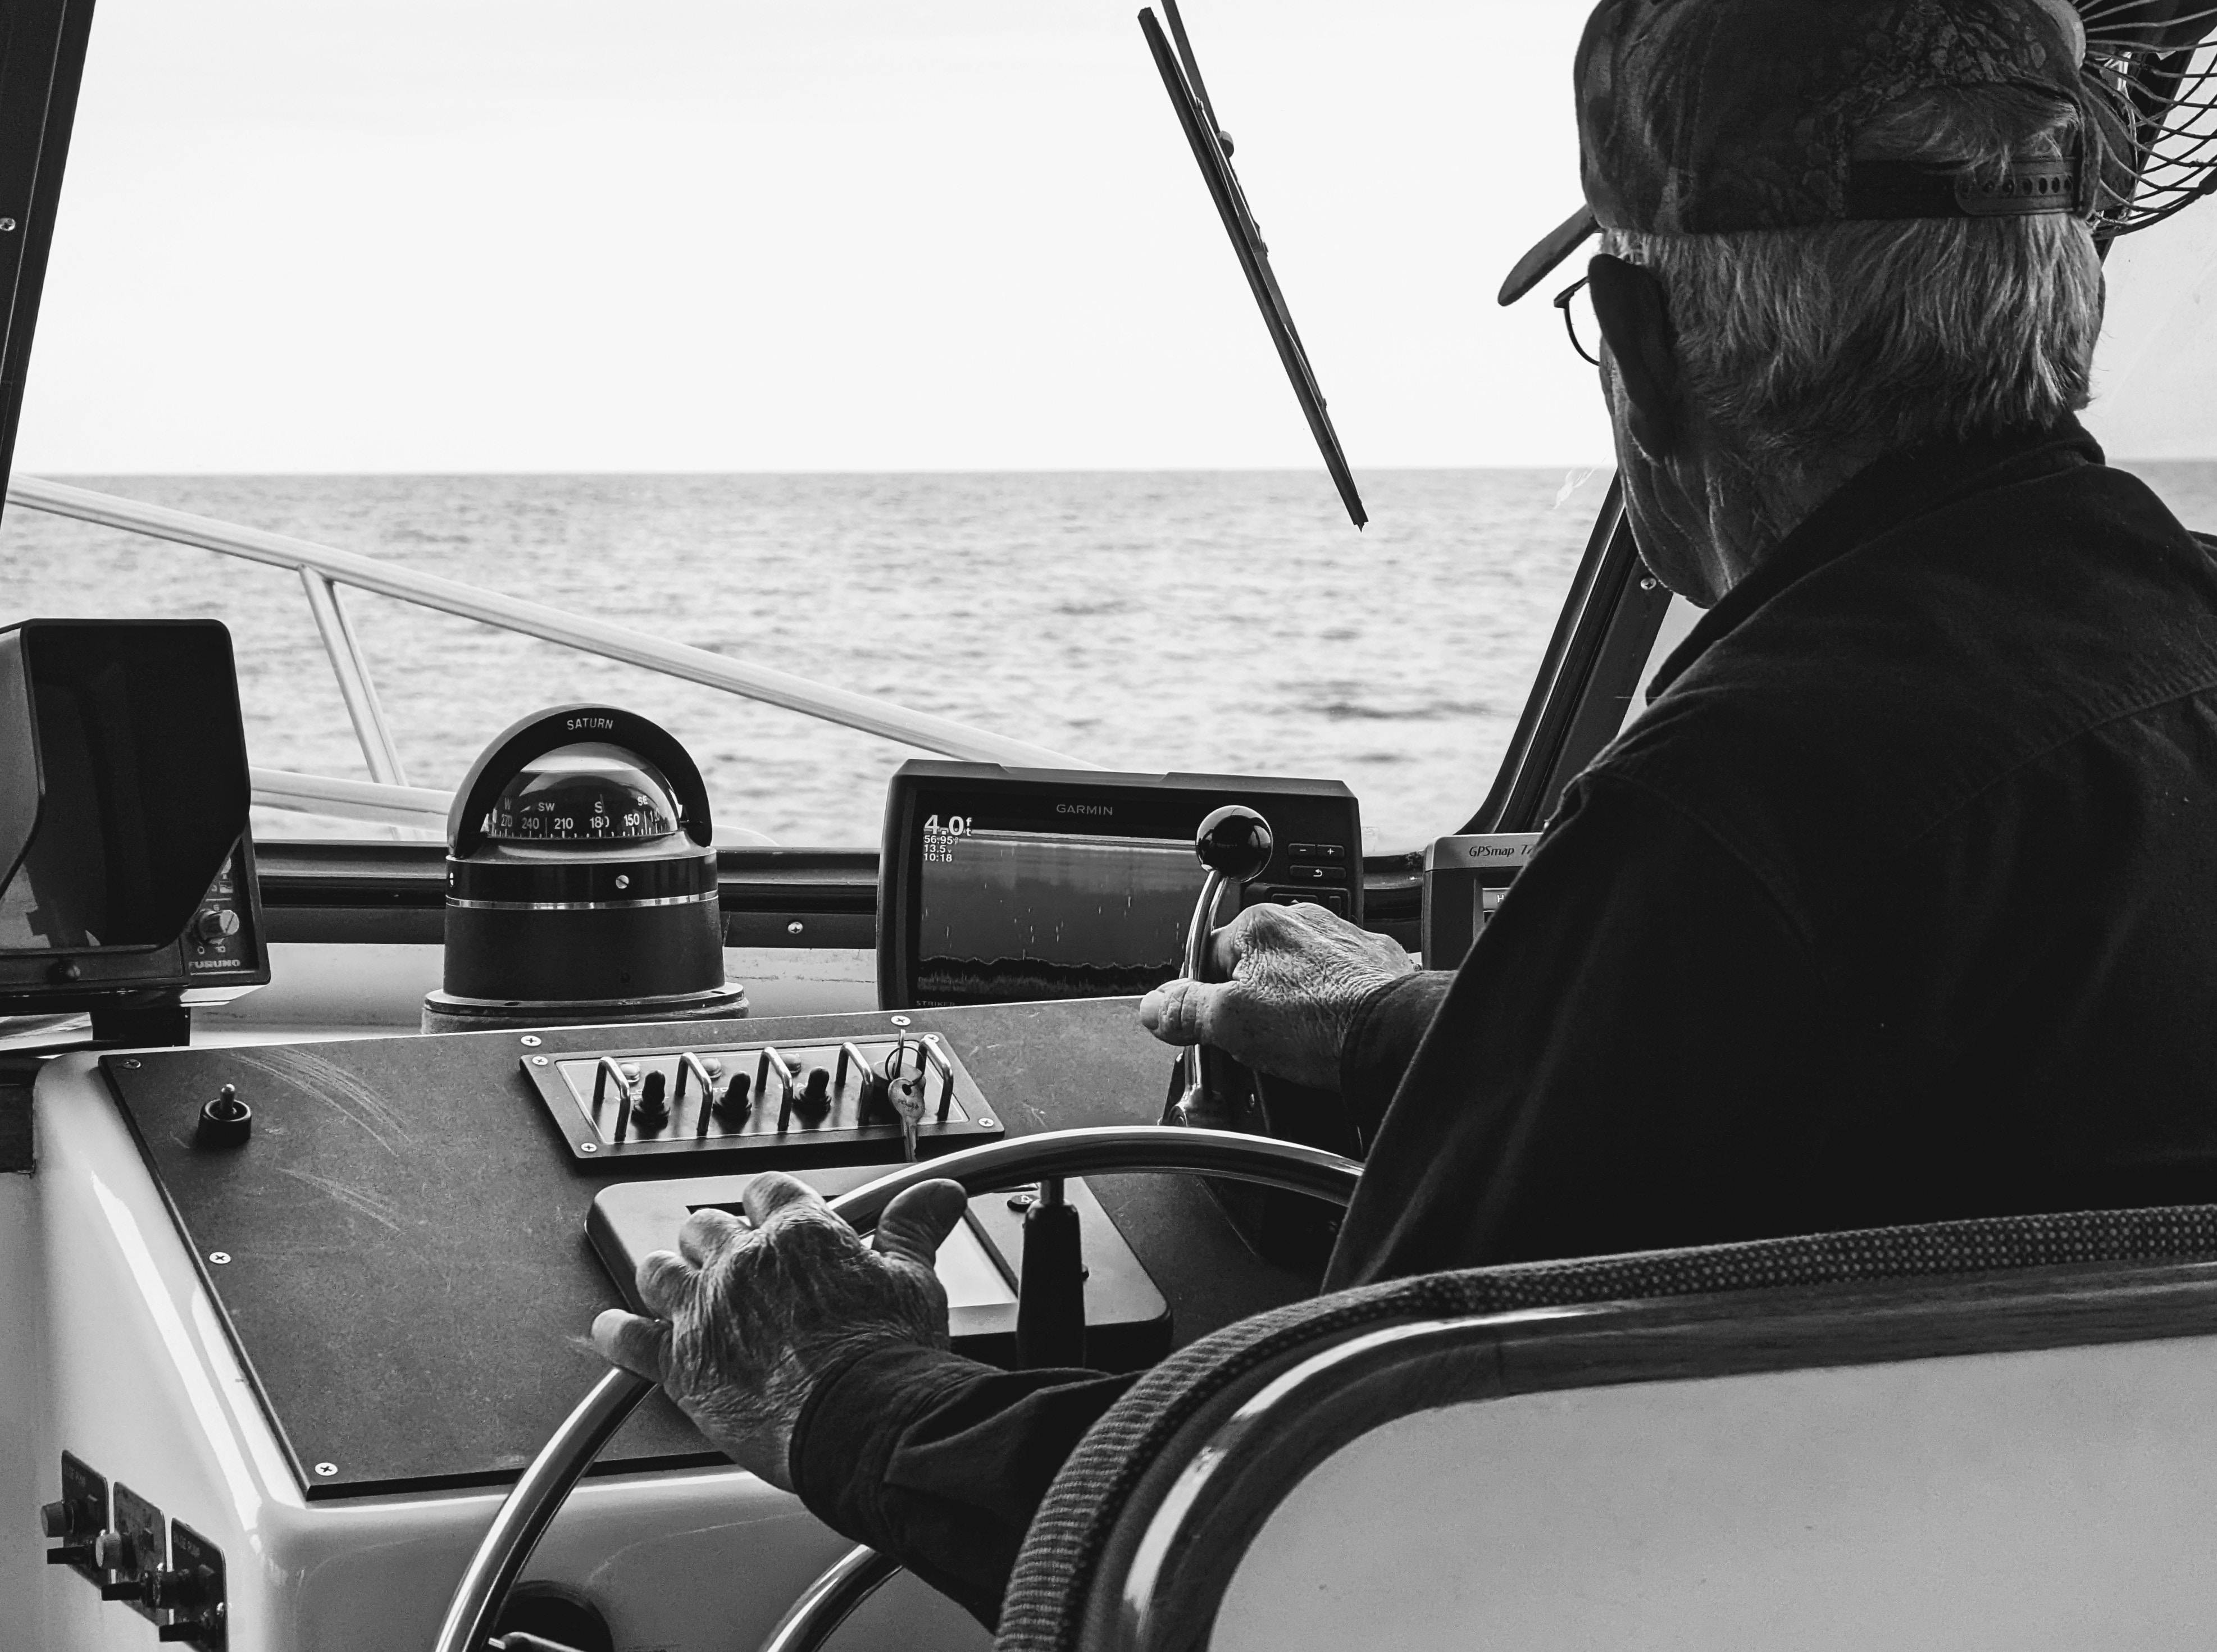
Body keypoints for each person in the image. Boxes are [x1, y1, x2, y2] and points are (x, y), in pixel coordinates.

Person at [594, 0, 2217, 1627]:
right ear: (2054, 302)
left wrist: (843, 1388)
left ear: (1644, 352)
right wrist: (1416, 1029)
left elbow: (1329, 1536)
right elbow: (1925, 1135)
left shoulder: (1740, 812)